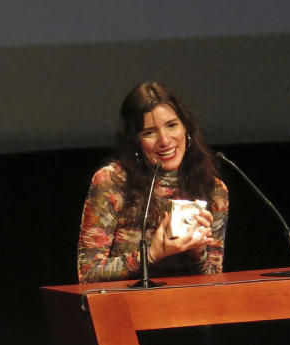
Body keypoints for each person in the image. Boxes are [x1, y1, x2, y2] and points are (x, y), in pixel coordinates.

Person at [77, 81, 229, 283]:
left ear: (186, 128)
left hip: (189, 309)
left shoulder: (213, 190)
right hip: (125, 308)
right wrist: (151, 254)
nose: (165, 140)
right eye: (149, 132)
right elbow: (88, 275)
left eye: (172, 125)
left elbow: (213, 280)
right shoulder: (112, 182)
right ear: (136, 140)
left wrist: (198, 251)